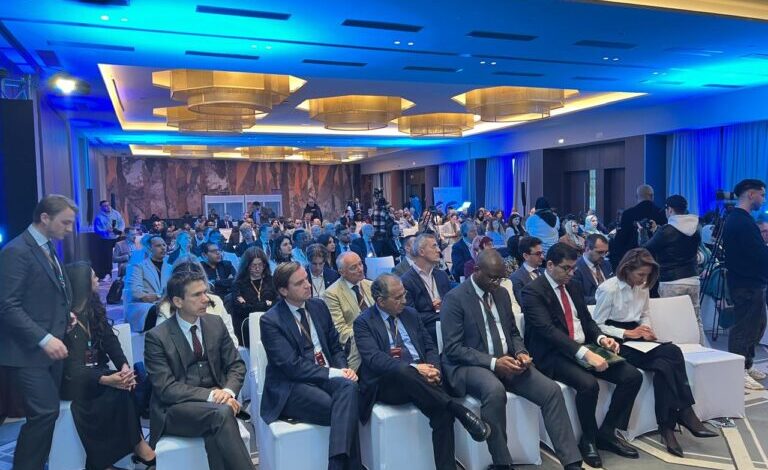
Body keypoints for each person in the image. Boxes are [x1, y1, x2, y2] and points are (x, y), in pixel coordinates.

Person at [441, 250, 583, 470]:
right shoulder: (455, 298)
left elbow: (513, 332)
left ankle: (572, 461)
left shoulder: (501, 293)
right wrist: (493, 362)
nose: (497, 283)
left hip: (507, 360)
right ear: (476, 270)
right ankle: (502, 463)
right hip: (472, 365)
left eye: (500, 278)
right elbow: (453, 348)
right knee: (493, 390)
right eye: (492, 278)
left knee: (551, 390)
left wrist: (520, 352)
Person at [521, 243, 643, 467]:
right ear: (550, 265)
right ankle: (588, 439)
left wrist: (601, 339)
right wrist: (585, 353)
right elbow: (548, 331)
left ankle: (607, 432)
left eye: (573, 268)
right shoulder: (533, 291)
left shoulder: (573, 286)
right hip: (552, 354)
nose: (571, 273)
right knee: (588, 385)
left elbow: (587, 321)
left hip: (583, 346)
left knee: (632, 376)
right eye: (566, 268)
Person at [355, 273, 491, 469]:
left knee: (442, 413)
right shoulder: (364, 322)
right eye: (398, 297)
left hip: (423, 379)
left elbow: (429, 347)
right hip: (389, 383)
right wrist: (416, 369)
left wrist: (434, 369)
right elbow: (375, 359)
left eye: (404, 294)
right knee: (405, 372)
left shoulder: (410, 314)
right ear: (380, 301)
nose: (404, 300)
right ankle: (459, 410)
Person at [593, 248, 717, 456]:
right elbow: (596, 325)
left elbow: (644, 314)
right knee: (671, 354)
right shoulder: (609, 289)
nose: (644, 279)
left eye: (647, 275)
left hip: (637, 337)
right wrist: (626, 333)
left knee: (664, 365)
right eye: (640, 274)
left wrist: (646, 329)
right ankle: (682, 414)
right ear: (627, 269)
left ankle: (667, 427)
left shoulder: (643, 286)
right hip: (614, 340)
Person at [144, 269, 253, 470]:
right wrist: (213, 396)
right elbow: (166, 388)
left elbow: (236, 365)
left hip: (216, 407)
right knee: (222, 413)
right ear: (178, 302)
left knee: (217, 427)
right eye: (197, 295)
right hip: (175, 410)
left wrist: (227, 391)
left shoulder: (215, 323)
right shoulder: (157, 337)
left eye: (205, 292)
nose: (206, 299)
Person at [0, 195, 76, 470]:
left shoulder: (47, 247)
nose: (70, 229)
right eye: (65, 222)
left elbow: (48, 292)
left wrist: (65, 315)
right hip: (26, 352)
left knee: (45, 415)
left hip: (49, 350)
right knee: (44, 414)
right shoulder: (16, 251)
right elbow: (7, 305)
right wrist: (43, 338)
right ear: (45, 217)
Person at [260, 262, 361, 470]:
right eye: (299, 283)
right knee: (343, 408)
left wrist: (345, 370)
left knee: (349, 387)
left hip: (325, 375)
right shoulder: (270, 320)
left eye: (306, 279)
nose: (307, 285)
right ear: (283, 291)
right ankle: (349, 465)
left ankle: (336, 464)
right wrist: (334, 372)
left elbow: (335, 347)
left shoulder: (318, 306)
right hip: (292, 385)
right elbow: (291, 366)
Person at [61, 262, 156, 469]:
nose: (98, 279)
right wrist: (105, 379)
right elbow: (70, 369)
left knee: (126, 385)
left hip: (96, 370)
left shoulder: (93, 307)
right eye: (93, 277)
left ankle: (136, 446)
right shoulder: (63, 320)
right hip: (73, 380)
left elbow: (110, 341)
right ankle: (118, 456)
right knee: (112, 393)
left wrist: (123, 366)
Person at [642, 195, 707, 346]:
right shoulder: (696, 228)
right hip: (693, 279)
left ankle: (676, 351)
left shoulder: (666, 230)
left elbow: (646, 248)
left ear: (670, 209)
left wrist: (644, 232)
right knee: (696, 319)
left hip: (671, 281)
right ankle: (701, 349)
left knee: (671, 319)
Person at [722, 179, 768, 390]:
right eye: (762, 195)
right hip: (745, 283)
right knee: (744, 327)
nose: (763, 199)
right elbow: (756, 254)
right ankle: (737, 370)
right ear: (751, 194)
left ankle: (746, 365)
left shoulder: (740, 219)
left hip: (751, 282)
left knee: (756, 325)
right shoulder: (741, 222)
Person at [148, 257, 240, 348]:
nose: (205, 299)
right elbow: (162, 347)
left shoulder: (216, 302)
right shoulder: (166, 308)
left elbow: (232, 342)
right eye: (196, 294)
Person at [323, 252, 374, 371]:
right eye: (353, 267)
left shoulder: (371, 285)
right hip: (356, 345)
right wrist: (367, 334)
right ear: (342, 272)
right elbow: (340, 330)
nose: (360, 269)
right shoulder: (332, 293)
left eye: (360, 264)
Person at [401, 234, 452, 344]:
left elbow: (452, 303)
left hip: (449, 327)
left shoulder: (442, 275)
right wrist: (442, 312)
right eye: (434, 246)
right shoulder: (406, 281)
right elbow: (411, 317)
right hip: (427, 335)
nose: (438, 250)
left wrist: (444, 305)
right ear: (421, 252)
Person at [611, 184, 668, 271]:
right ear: (652, 196)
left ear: (637, 197)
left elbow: (622, 237)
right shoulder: (662, 213)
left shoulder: (628, 213)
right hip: (656, 258)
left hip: (633, 257)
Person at [124, 234, 171, 332]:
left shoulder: (170, 267)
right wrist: (157, 297)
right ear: (150, 248)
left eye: (164, 245)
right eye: (158, 246)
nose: (163, 248)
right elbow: (135, 291)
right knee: (161, 309)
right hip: (143, 306)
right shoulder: (138, 266)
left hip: (164, 303)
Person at [232, 247, 277, 347]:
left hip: (271, 322)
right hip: (248, 325)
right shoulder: (239, 284)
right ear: (247, 266)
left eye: (260, 265)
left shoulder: (271, 280)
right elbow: (241, 309)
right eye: (253, 265)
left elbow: (277, 303)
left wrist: (251, 305)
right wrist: (266, 304)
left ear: (265, 265)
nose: (257, 268)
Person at [571, 233, 614, 305]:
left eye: (606, 252)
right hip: (592, 307)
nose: (603, 256)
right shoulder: (575, 268)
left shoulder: (606, 263)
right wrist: (603, 299)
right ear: (587, 249)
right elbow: (578, 298)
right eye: (600, 252)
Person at [92, 199, 125, 282]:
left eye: (108, 205)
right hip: (106, 240)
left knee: (119, 255)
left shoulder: (116, 213)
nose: (107, 207)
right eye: (105, 206)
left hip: (116, 238)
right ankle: (108, 274)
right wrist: (106, 231)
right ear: (101, 207)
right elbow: (97, 229)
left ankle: (120, 273)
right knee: (107, 257)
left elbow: (122, 223)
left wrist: (119, 230)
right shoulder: (99, 217)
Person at [510, 236, 544, 304]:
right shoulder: (516, 278)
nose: (542, 257)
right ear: (526, 256)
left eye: (542, 253)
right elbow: (524, 303)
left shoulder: (545, 271)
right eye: (538, 254)